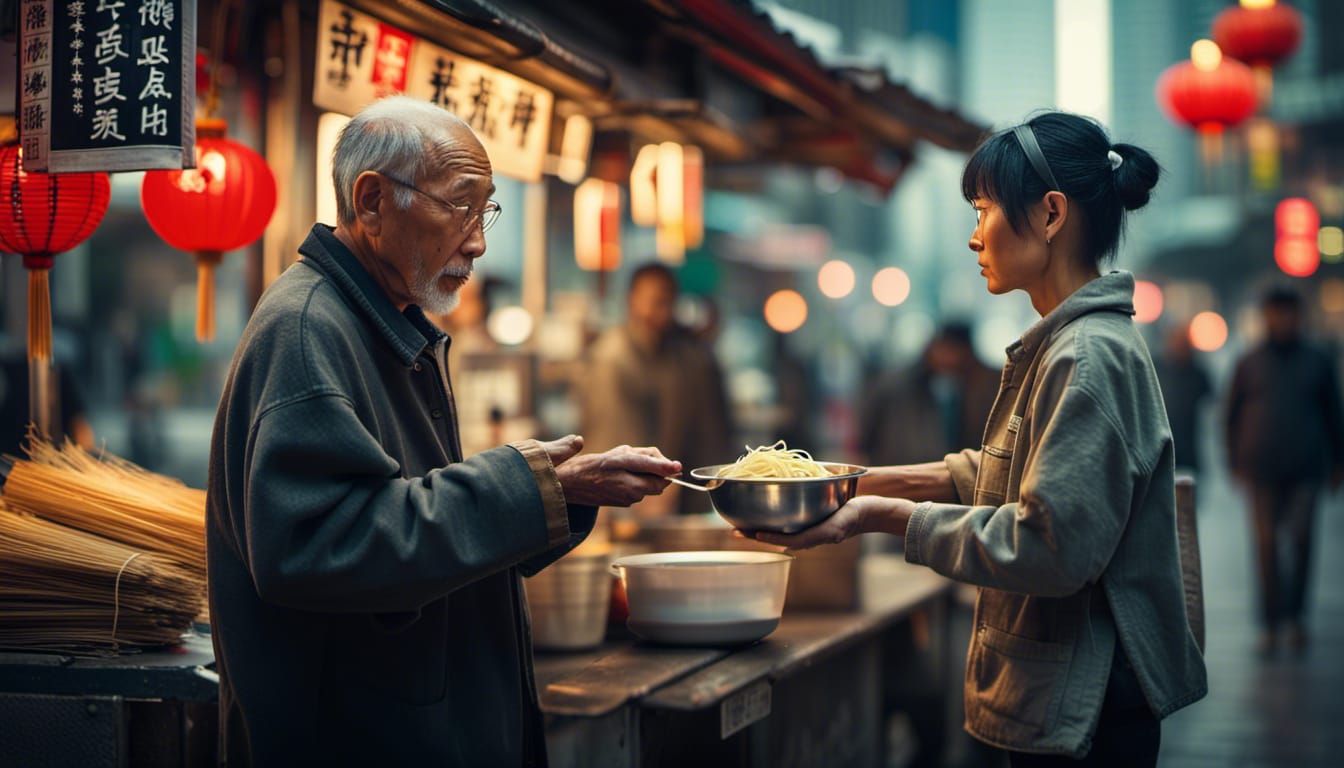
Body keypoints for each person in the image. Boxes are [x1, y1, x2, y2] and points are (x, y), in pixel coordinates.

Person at [206, 96, 680, 767]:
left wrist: (560, 489)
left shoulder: (380, 321)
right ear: (372, 202)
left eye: (485, 211)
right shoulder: (308, 328)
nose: (478, 241)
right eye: (460, 206)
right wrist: (523, 485)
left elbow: (411, 520)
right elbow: (321, 548)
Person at [740, 112, 1206, 766]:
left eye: (984, 210)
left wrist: (879, 515)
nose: (973, 235)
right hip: (1073, 695)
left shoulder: (1087, 356)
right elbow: (1005, 468)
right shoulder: (1068, 344)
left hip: (1087, 707)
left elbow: (1049, 546)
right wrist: (854, 482)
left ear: (1050, 214)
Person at [1225, 285, 1344, 655]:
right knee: (1266, 547)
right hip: (1261, 468)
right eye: (1276, 313)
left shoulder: (1318, 360)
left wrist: (1337, 463)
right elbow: (1231, 415)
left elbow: (1334, 413)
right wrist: (1234, 461)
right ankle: (1270, 623)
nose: (1282, 320)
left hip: (1306, 466)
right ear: (1266, 317)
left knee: (1302, 541)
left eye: (1288, 313)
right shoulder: (1249, 361)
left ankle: (1295, 619)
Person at [581, 263, 733, 515]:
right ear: (632, 300)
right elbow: (613, 436)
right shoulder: (612, 358)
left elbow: (705, 431)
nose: (664, 311)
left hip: (666, 494)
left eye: (669, 302)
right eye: (656, 301)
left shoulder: (680, 351)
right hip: (623, 500)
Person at [858, 322, 999, 467]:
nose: (951, 360)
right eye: (948, 351)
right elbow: (866, 431)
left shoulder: (964, 385)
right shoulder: (896, 384)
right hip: (896, 468)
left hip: (929, 469)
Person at [1154, 323, 1213, 476]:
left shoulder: (1198, 373)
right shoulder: (1157, 368)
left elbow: (1209, 408)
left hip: (1188, 450)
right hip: (1160, 449)